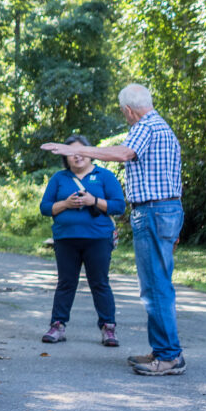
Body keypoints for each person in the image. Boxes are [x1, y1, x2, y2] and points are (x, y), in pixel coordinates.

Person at [42, 83, 184, 376]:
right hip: (164, 210)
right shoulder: (162, 127)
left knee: (155, 287)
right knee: (157, 285)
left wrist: (75, 149)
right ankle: (163, 350)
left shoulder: (146, 126)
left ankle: (169, 356)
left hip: (154, 211)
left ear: (127, 110)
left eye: (123, 113)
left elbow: (122, 154)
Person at [39, 135, 126, 346]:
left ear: (90, 153)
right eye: (70, 154)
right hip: (65, 239)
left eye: (81, 152)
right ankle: (57, 325)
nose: (76, 157)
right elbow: (45, 208)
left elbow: (119, 206)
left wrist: (93, 200)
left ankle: (108, 327)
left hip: (98, 239)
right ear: (65, 158)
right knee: (66, 283)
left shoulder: (104, 176)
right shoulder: (59, 178)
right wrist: (66, 204)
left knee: (100, 283)